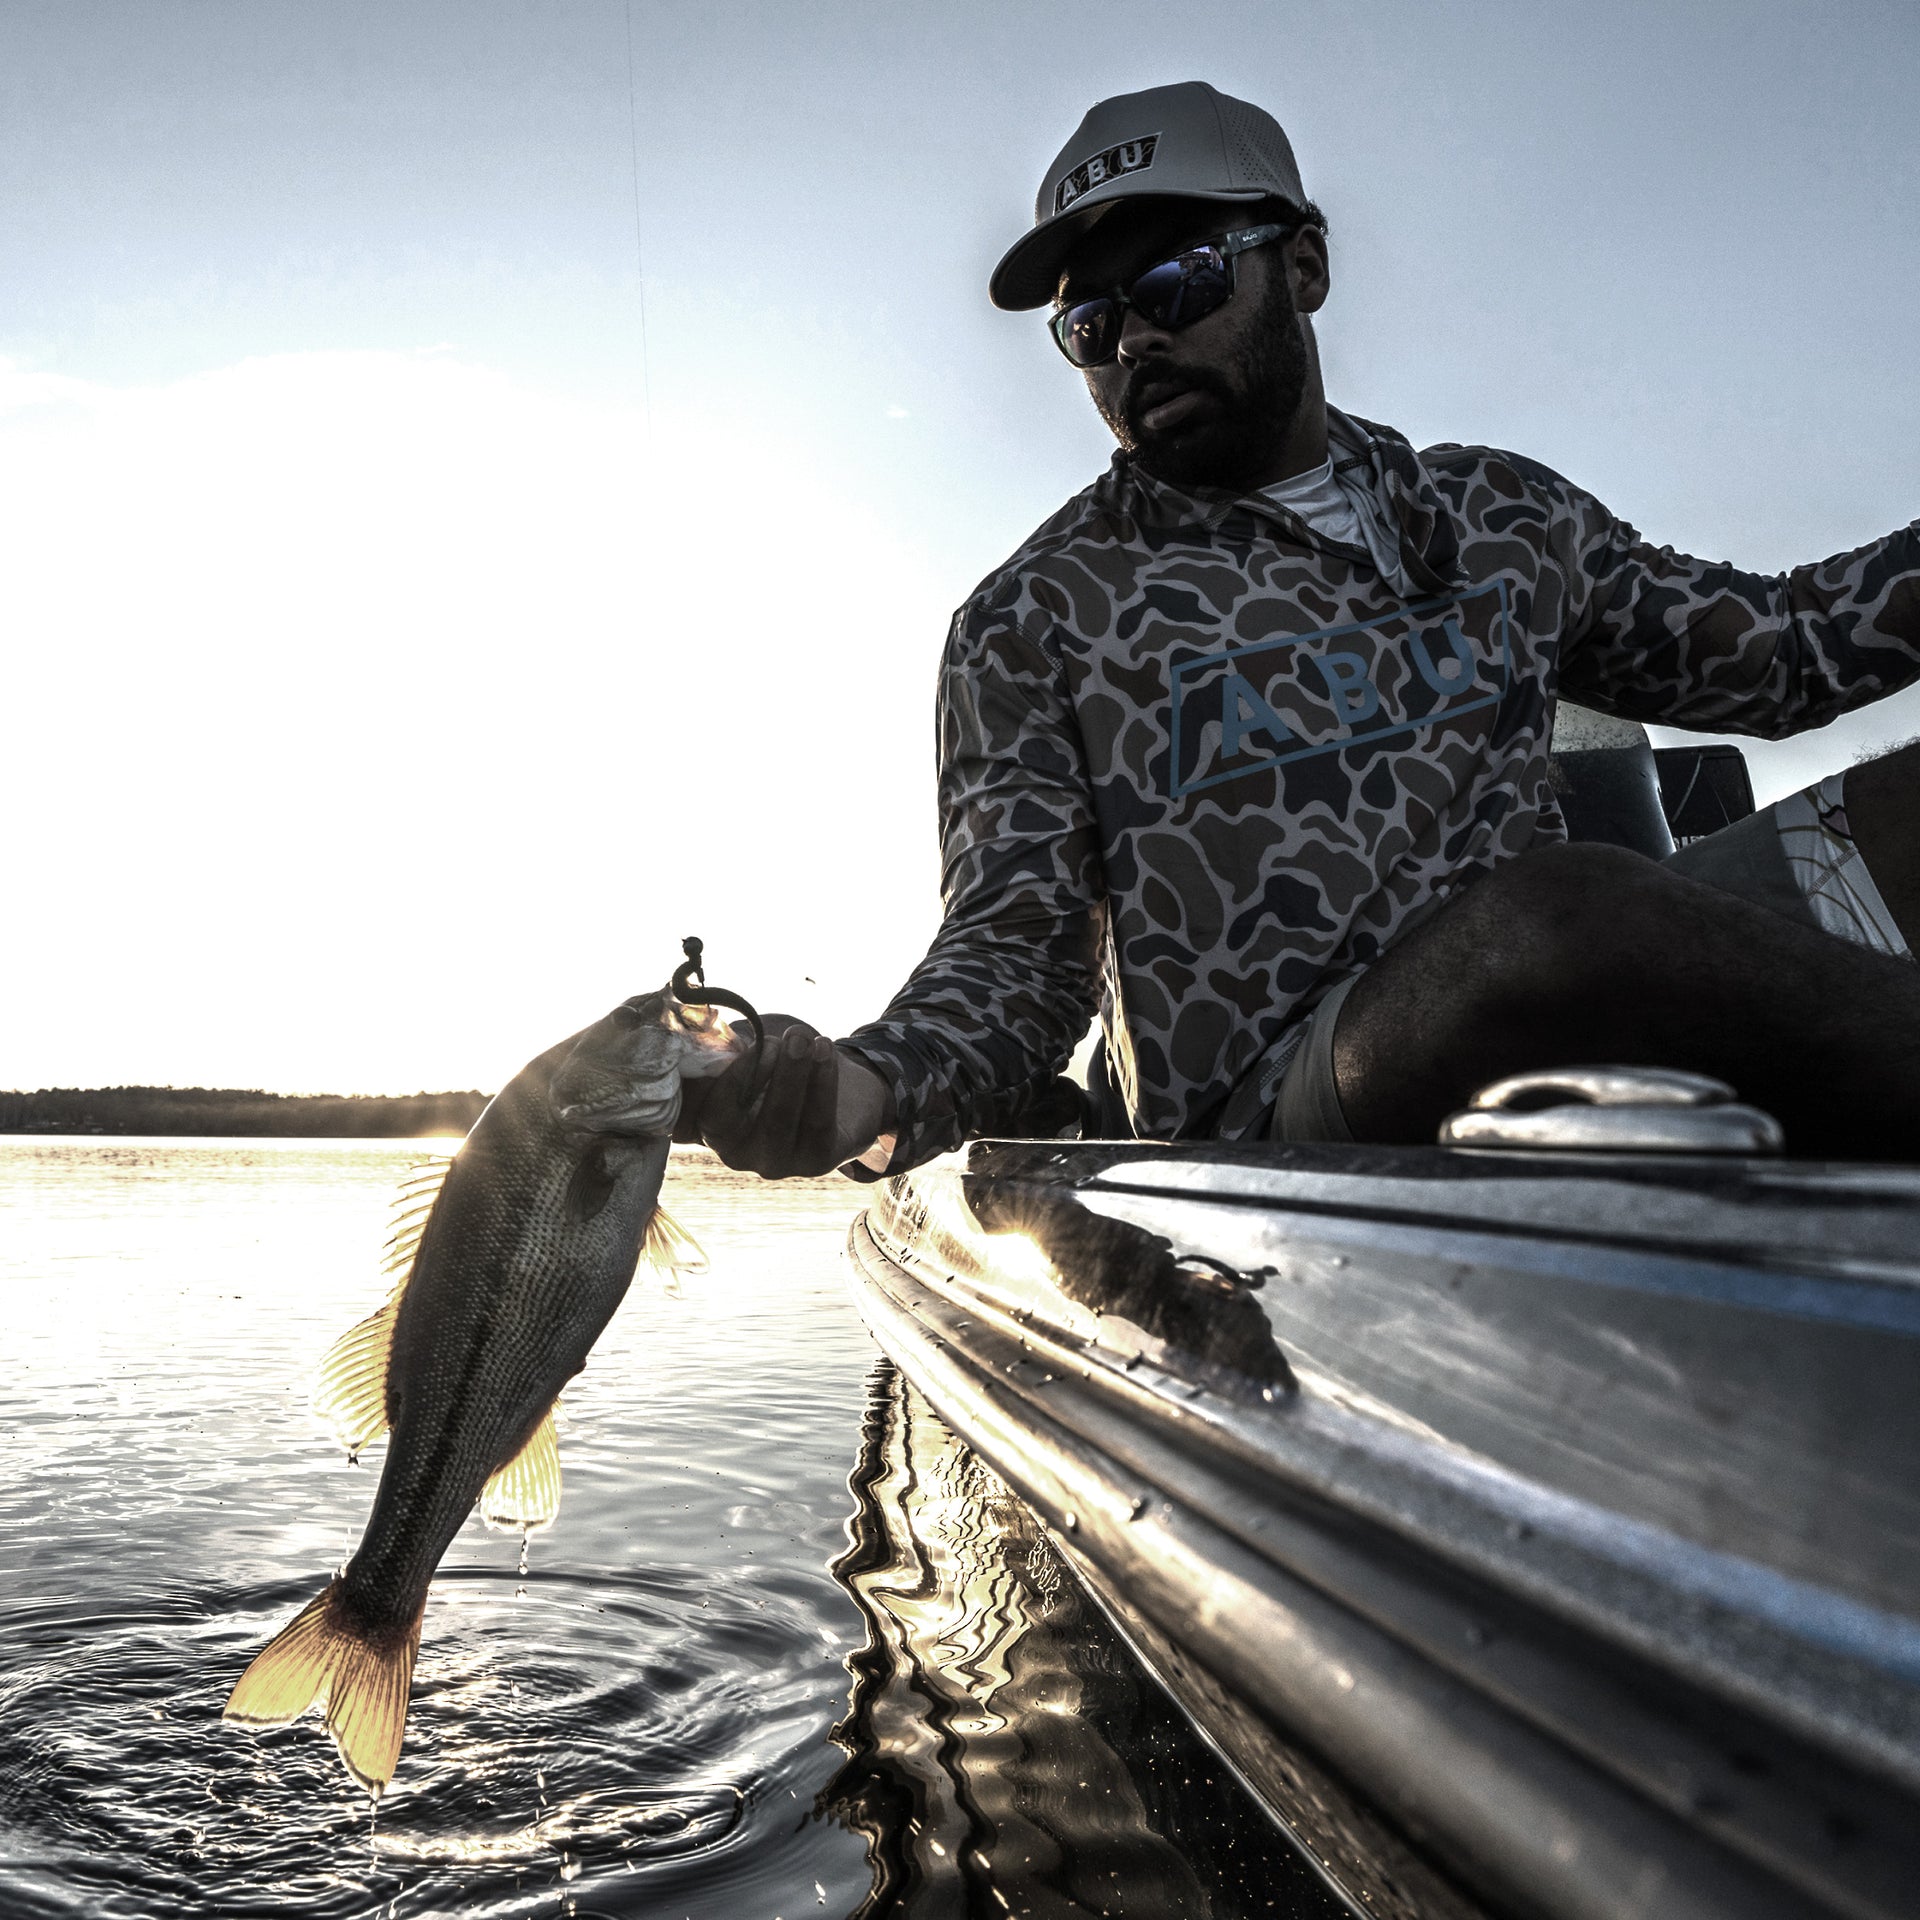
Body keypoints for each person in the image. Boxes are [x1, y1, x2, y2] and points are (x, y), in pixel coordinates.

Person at [682, 80, 1920, 1175]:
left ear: (1305, 268)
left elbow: (1783, 651)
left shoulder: (1501, 514)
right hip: (1281, 1126)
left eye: (1181, 278)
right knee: (1556, 918)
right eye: (1093, 326)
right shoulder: (1035, 619)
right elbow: (1017, 953)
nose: (1139, 339)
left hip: (1587, 979)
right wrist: (859, 1087)